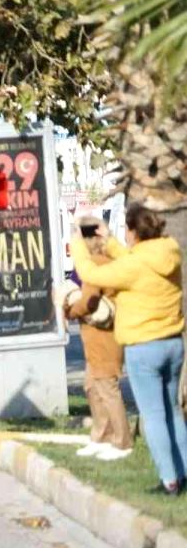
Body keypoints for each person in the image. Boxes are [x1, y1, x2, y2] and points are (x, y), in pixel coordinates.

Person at [72, 204, 184, 494]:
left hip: (143, 347)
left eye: (126, 230)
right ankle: (184, 471)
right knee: (173, 412)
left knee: (155, 415)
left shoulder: (133, 266)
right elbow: (134, 260)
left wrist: (76, 239)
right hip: (172, 342)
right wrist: (109, 240)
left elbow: (91, 274)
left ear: (133, 232)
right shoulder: (169, 251)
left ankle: (169, 480)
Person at [58, 217, 132, 462]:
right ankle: (101, 436)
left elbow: (88, 300)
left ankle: (122, 442)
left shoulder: (96, 265)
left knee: (107, 388)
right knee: (92, 386)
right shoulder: (111, 261)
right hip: (100, 336)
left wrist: (69, 310)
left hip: (103, 336)